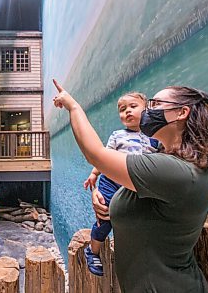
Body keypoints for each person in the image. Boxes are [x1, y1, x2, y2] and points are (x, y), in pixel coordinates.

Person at [52, 79, 208, 292]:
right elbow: (131, 188)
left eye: (155, 104)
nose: (149, 111)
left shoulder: (175, 170)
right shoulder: (168, 162)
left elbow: (96, 154)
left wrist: (73, 106)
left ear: (181, 113)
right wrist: (99, 194)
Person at [83, 92, 160, 277]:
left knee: (136, 221)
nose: (127, 112)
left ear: (146, 108)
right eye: (122, 109)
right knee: (105, 219)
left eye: (133, 107)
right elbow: (103, 158)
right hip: (111, 182)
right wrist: (94, 174)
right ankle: (92, 252)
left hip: (136, 185)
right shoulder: (117, 135)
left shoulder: (155, 138)